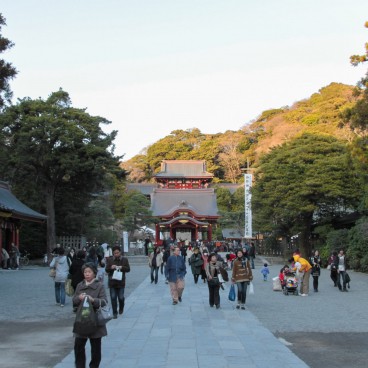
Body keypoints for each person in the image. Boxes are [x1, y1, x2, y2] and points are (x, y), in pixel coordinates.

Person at [73, 263, 108, 368]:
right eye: (85, 272)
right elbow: (74, 301)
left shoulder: (99, 286)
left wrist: (93, 300)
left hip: (95, 321)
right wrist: (79, 298)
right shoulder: (80, 285)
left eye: (89, 272)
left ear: (94, 273)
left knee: (96, 348)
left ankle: (94, 366)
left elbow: (104, 302)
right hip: (82, 320)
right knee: (78, 346)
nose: (87, 274)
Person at [105, 246, 130, 318]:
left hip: (121, 282)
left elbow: (128, 269)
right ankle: (114, 313)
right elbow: (106, 270)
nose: (116, 254)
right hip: (112, 282)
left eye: (117, 253)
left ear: (120, 252)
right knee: (113, 297)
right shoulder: (110, 260)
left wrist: (122, 267)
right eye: (114, 253)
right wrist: (111, 267)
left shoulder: (124, 259)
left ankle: (121, 307)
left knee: (121, 297)